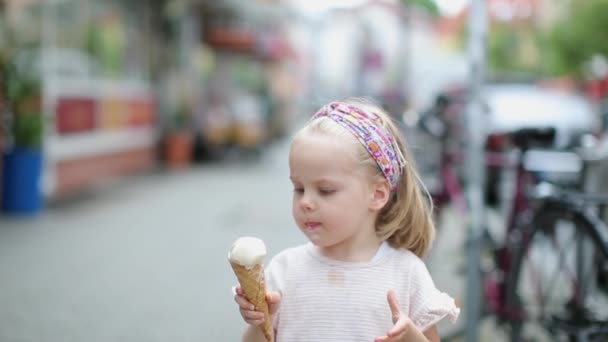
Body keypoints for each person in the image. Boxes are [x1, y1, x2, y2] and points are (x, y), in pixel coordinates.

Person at [233, 99, 460, 342]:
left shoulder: (406, 273)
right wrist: (260, 321)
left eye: (326, 190)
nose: (306, 202)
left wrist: (412, 337)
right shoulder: (284, 270)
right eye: (299, 188)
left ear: (377, 194)